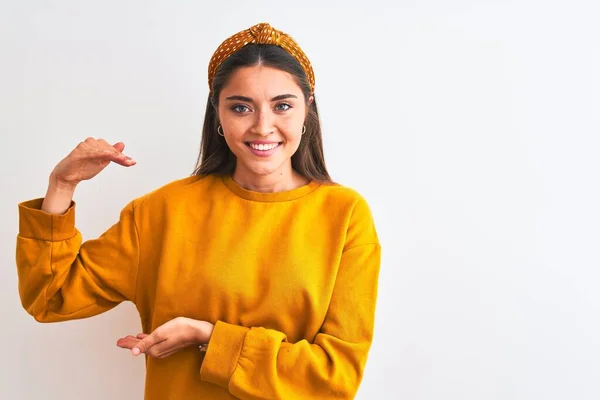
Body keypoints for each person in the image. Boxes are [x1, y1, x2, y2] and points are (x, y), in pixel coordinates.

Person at [16, 22, 381, 399]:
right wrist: (62, 186)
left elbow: (335, 380)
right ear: (218, 116)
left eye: (282, 106)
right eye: (241, 107)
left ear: (307, 112)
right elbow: (50, 296)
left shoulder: (345, 215)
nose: (262, 126)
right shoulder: (163, 212)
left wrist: (208, 337)